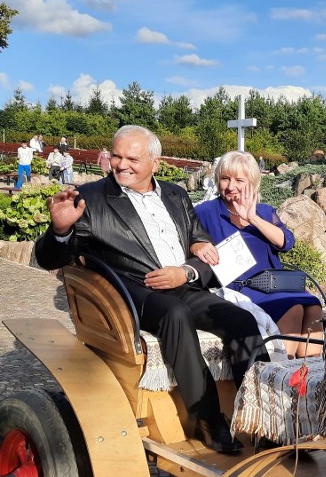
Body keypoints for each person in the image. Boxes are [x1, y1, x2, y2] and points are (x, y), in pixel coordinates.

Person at [35, 125, 265, 453]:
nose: (121, 164)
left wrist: (185, 271)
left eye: (133, 158)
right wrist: (59, 229)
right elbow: (51, 258)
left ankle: (264, 415)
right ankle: (208, 419)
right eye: (116, 155)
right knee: (175, 313)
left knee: (241, 321)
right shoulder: (94, 199)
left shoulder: (176, 194)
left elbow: (203, 244)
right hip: (137, 292)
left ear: (155, 163)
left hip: (183, 285)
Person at [194, 150, 324, 358]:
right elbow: (191, 240)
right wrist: (197, 246)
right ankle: (277, 373)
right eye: (225, 178)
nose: (231, 186)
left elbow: (286, 242)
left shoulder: (263, 211)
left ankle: (307, 375)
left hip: (273, 283)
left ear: (252, 183)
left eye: (239, 180)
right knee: (295, 307)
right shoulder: (206, 211)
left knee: (313, 307)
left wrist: (252, 218)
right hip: (240, 285)